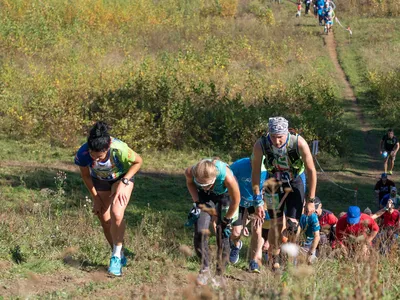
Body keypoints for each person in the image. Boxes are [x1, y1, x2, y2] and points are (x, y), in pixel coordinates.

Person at [75, 122, 143, 276]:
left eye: (99, 157)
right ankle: (119, 251)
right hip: (99, 180)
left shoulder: (120, 149)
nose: (95, 160)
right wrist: (96, 198)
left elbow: (138, 162)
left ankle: (116, 257)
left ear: (107, 148)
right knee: (105, 219)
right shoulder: (83, 153)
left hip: (122, 177)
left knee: (117, 214)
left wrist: (124, 181)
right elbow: (86, 176)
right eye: (93, 155)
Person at [252, 117, 317, 269]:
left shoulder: (298, 143)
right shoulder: (261, 144)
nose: (276, 141)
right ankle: (274, 257)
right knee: (276, 223)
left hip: (295, 182)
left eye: (280, 137)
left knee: (292, 225)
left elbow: (311, 171)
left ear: (286, 133)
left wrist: (311, 200)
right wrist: (257, 200)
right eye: (273, 136)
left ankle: (289, 256)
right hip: (273, 183)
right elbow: (255, 173)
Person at [185, 158, 240, 285]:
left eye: (208, 185)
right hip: (205, 198)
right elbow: (190, 183)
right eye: (201, 185)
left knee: (222, 234)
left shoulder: (227, 177)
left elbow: (236, 200)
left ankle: (220, 274)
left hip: (224, 196)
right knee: (200, 231)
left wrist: (227, 219)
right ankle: (205, 269)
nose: (205, 187)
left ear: (215, 178)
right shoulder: (191, 172)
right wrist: (197, 202)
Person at [229, 157, 267, 273]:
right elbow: (227, 178)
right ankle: (236, 245)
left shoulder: (267, 169)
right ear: (251, 160)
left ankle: (253, 262)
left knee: (257, 230)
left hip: (255, 204)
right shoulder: (239, 165)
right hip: (239, 202)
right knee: (236, 232)